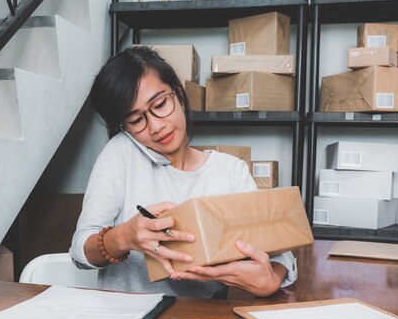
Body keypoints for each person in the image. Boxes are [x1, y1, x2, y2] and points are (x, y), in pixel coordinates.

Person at [69, 46, 297, 298]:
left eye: (160, 104)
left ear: (177, 93)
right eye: (136, 120)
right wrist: (123, 237)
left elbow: (278, 249)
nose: (156, 126)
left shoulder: (230, 170)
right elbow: (80, 252)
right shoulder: (121, 153)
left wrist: (272, 279)